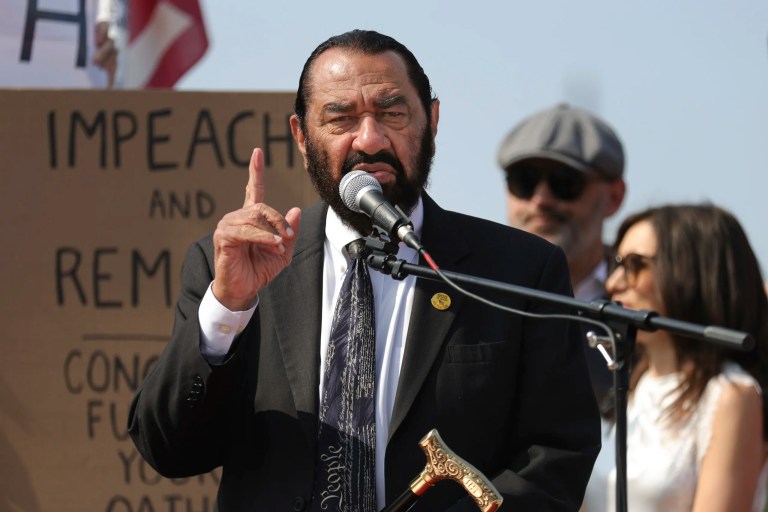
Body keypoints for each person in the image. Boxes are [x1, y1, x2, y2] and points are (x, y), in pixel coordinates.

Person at [128, 29, 601, 511]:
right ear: (301, 136)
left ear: (432, 122)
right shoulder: (231, 266)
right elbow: (168, 448)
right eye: (341, 119)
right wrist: (228, 308)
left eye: (393, 114)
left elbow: (557, 455)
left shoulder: (517, 270)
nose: (370, 139)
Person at [591, 204, 768, 511]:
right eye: (616, 263)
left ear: (693, 272)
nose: (613, 283)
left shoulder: (731, 396)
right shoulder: (639, 381)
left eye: (636, 265)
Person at [496, 104, 627, 412]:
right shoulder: (469, 291)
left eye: (565, 182)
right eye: (524, 181)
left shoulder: (642, 301)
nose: (541, 200)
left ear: (613, 197)